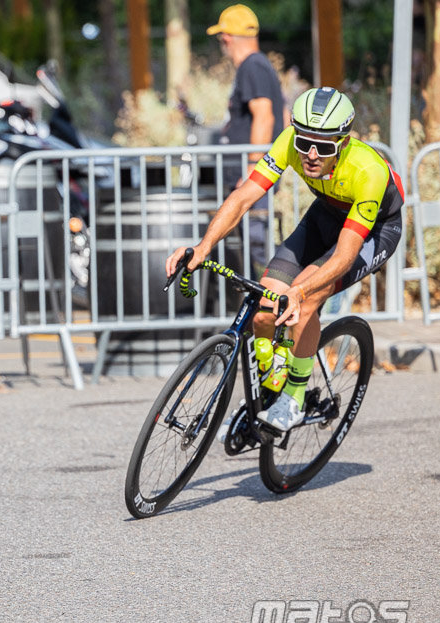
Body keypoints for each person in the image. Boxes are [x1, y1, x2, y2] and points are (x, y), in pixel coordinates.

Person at [165, 87, 403, 432]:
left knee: (305, 300)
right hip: (326, 214)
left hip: (374, 230)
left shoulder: (367, 171)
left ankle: (293, 398)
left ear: (343, 142)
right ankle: (271, 385)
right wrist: (204, 246)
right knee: (265, 308)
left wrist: (301, 291)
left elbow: (346, 254)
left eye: (322, 147)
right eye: (304, 141)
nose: (309, 154)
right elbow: (245, 195)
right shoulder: (289, 141)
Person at [207, 4, 285, 275]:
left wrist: (253, 168)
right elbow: (282, 113)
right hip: (257, 170)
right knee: (255, 242)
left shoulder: (252, 66)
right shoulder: (259, 66)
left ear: (226, 38)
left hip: (254, 172)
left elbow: (265, 116)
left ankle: (274, 303)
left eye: (221, 39)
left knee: (258, 244)